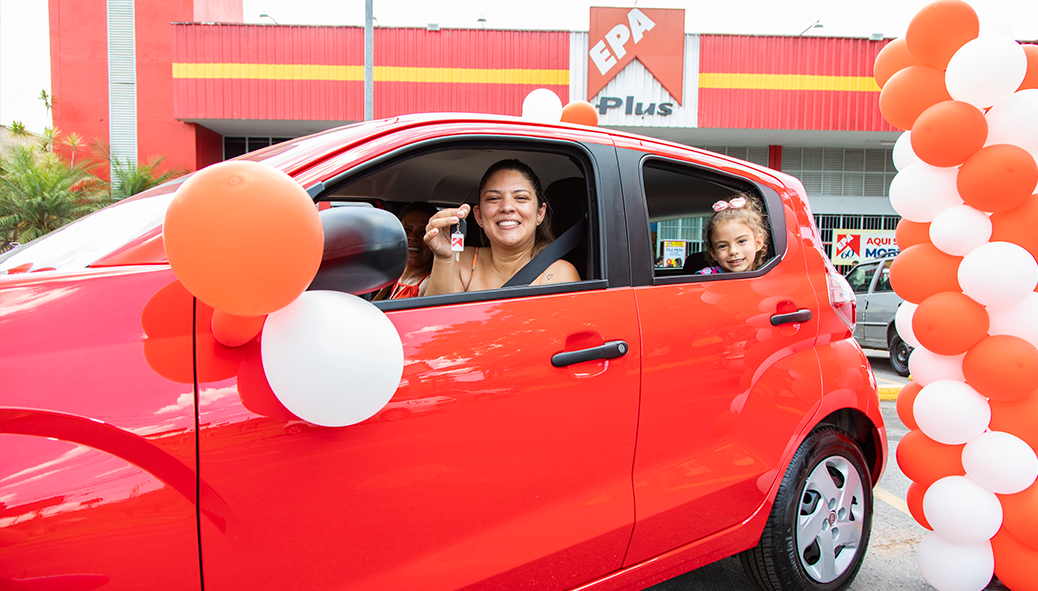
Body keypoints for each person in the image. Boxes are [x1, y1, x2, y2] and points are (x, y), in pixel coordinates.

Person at [423, 159, 580, 294]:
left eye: (520, 197)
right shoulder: (461, 262)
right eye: (493, 198)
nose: (506, 207)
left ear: (540, 213)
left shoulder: (558, 274)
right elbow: (434, 325)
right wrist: (443, 258)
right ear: (478, 216)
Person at [373, 201, 438, 300]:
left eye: (423, 231)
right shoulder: (393, 277)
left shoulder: (428, 283)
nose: (413, 237)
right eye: (407, 229)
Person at [696, 194, 769, 274]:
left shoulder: (769, 276)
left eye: (741, 241)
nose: (733, 251)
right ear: (713, 253)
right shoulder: (705, 279)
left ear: (758, 243)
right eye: (723, 246)